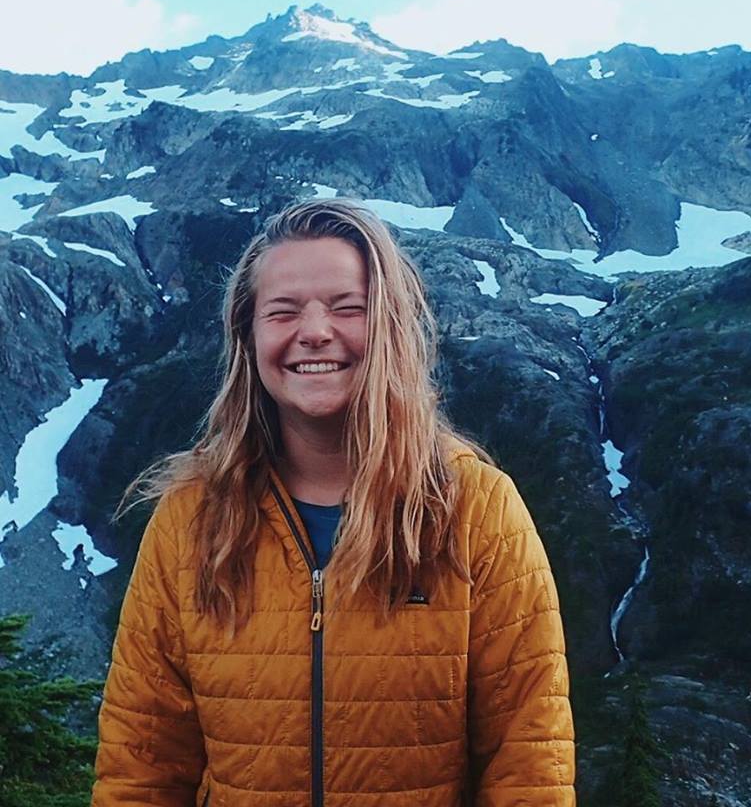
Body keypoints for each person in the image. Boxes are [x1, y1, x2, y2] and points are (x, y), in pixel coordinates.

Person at [92, 199, 575, 806]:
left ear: (390, 328)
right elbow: (143, 765)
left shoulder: (476, 508)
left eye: (348, 308)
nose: (315, 331)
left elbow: (529, 766)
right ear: (249, 337)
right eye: (282, 311)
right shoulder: (190, 518)